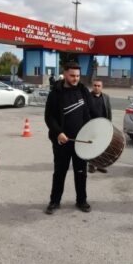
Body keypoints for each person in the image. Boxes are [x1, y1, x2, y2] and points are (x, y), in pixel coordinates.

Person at [44, 63, 96, 215]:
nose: (75, 79)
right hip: (62, 141)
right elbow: (49, 116)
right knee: (59, 172)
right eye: (72, 75)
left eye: (78, 76)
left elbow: (93, 111)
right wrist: (58, 132)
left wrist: (99, 129)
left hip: (81, 141)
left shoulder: (83, 91)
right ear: (65, 74)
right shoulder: (56, 92)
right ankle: (54, 201)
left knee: (81, 172)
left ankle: (81, 200)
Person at [88, 79, 112, 173]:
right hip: (91, 125)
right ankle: (91, 164)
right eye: (95, 85)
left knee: (102, 146)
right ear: (92, 86)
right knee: (92, 146)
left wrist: (109, 124)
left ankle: (100, 164)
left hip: (103, 125)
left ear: (102, 87)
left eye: (99, 86)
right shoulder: (87, 97)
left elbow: (109, 111)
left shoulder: (106, 97)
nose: (96, 87)